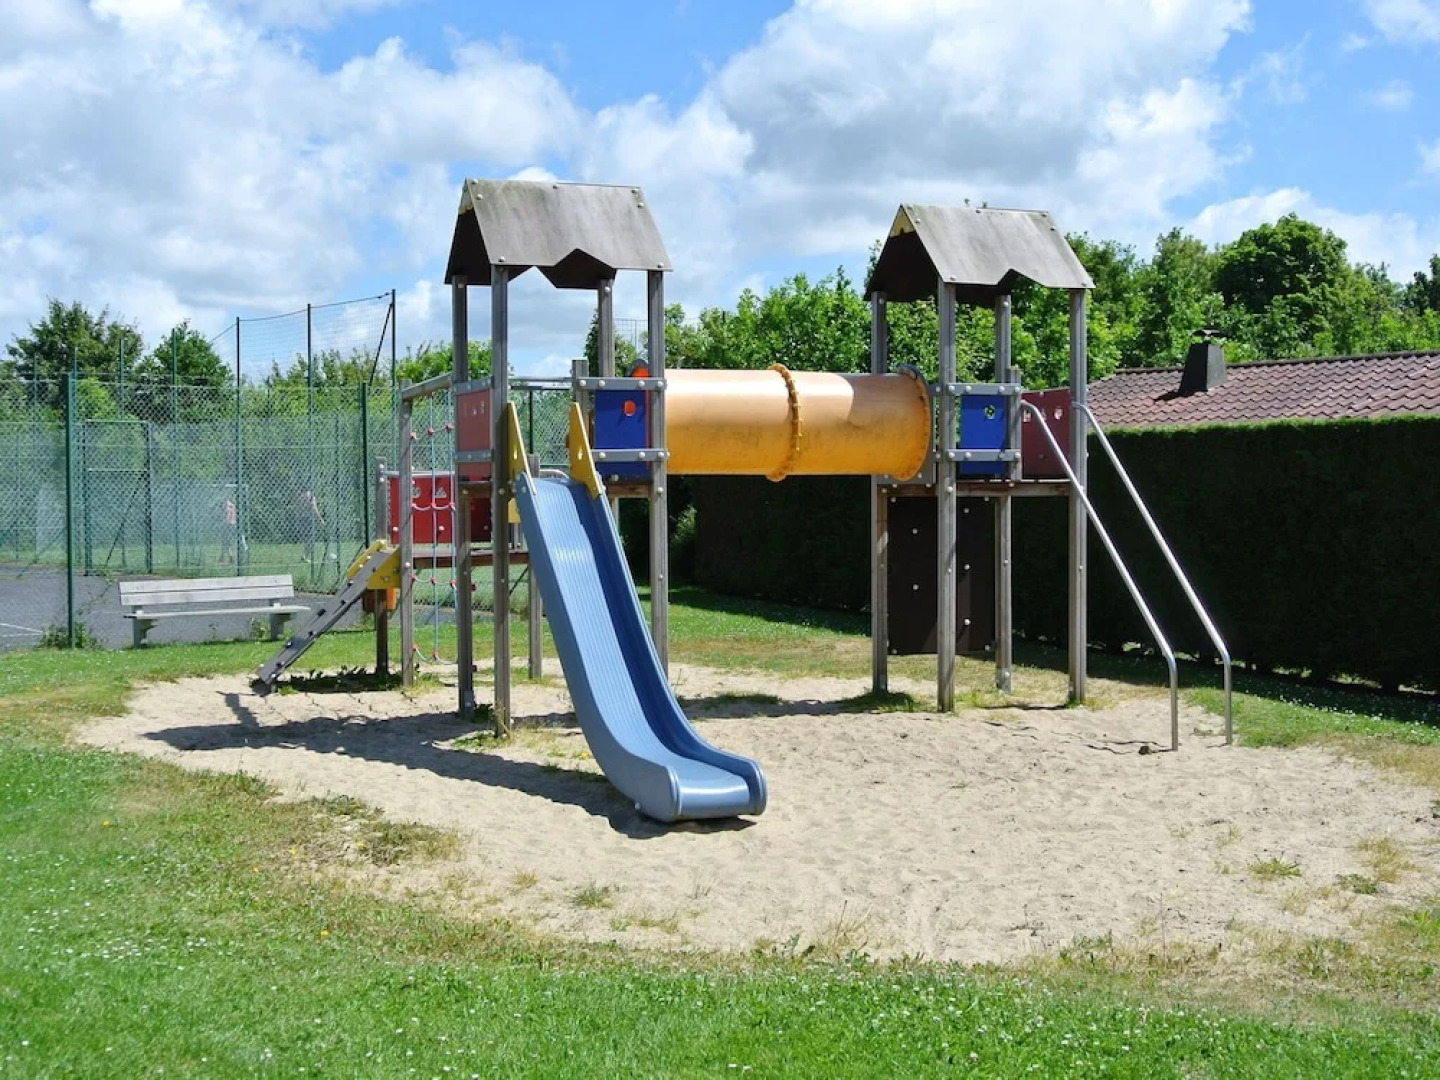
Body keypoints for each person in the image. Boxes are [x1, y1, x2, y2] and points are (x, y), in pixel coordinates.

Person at [219, 497, 238, 564]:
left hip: (229, 525)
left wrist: (224, 524)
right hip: (233, 524)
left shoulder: (228, 506)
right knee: (225, 542)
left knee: (225, 542)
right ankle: (223, 557)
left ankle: (227, 557)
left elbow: (228, 516)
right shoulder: (232, 505)